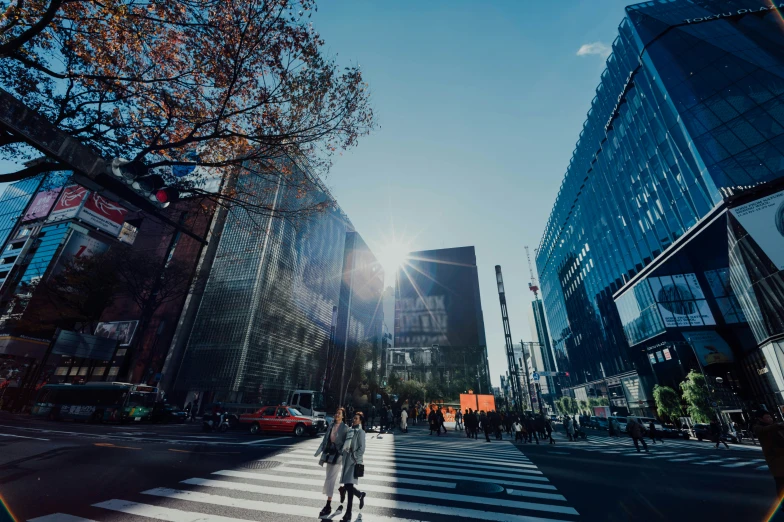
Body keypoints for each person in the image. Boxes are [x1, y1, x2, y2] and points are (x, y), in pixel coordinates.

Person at [315, 407, 348, 518]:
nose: (337, 415)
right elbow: (325, 439)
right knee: (329, 478)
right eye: (336, 413)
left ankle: (328, 505)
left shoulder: (345, 428)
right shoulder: (331, 425)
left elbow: (347, 444)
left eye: (339, 414)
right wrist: (319, 451)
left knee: (330, 479)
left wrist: (341, 451)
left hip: (337, 457)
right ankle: (342, 488)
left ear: (343, 416)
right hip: (329, 455)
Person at [339, 411, 367, 522]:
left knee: (349, 487)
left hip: (353, 462)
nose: (353, 420)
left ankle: (348, 513)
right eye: (353, 418)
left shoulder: (361, 432)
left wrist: (353, 456)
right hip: (346, 461)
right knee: (347, 485)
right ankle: (360, 495)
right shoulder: (350, 430)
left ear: (360, 420)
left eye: (356, 418)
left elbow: (362, 449)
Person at [753, 410, 784, 497]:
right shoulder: (758, 428)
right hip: (775, 459)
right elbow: (763, 430)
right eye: (767, 417)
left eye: (770, 416)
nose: (770, 419)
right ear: (760, 419)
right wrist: (778, 425)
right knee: (781, 482)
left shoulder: (777, 427)